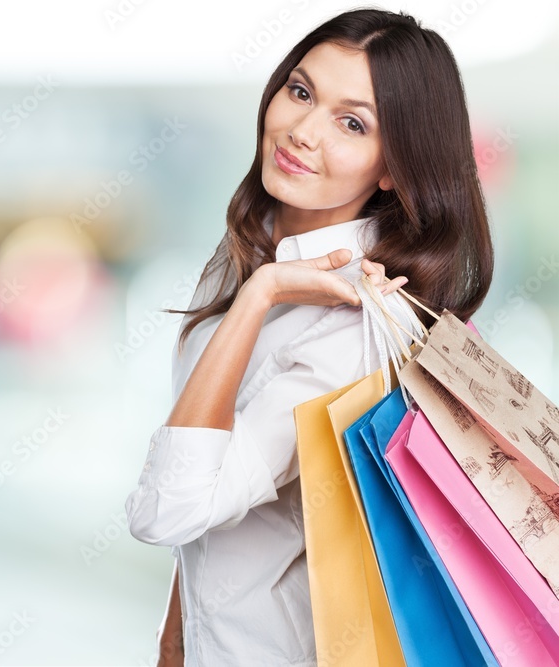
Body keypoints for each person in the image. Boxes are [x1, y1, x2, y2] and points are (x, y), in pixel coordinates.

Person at [124, 8, 493, 666]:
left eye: (351, 123)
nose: (301, 131)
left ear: (391, 167)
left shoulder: (347, 325)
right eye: (300, 91)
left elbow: (171, 510)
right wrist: (171, 643)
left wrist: (258, 294)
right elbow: (207, 530)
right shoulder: (263, 254)